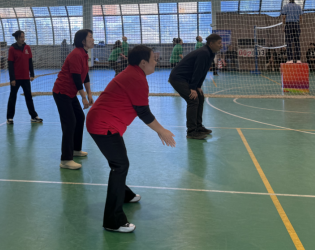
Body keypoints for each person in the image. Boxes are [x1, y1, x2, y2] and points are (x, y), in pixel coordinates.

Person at [86, 46, 176, 233]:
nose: (156, 62)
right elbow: (143, 112)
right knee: (120, 166)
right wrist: (162, 131)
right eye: (153, 59)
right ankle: (113, 221)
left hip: (105, 123)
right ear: (143, 63)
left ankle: (125, 195)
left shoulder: (134, 74)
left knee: (120, 162)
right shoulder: (136, 78)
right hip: (103, 126)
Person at [53, 29, 95, 170]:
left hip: (70, 93)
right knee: (69, 123)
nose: (93, 39)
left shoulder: (84, 54)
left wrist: (89, 94)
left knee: (79, 118)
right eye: (90, 37)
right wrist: (83, 97)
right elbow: (77, 78)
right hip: (62, 92)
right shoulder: (76, 54)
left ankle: (76, 150)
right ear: (83, 41)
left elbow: (85, 75)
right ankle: (65, 160)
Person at [169, 34, 223, 140]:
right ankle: (191, 132)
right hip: (178, 78)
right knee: (193, 99)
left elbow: (203, 71)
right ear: (211, 44)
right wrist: (193, 88)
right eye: (219, 43)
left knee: (200, 97)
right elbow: (198, 71)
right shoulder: (204, 53)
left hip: (186, 79)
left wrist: (198, 86)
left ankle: (198, 127)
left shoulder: (211, 53)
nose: (221, 45)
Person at [7, 30, 43, 124]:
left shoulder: (27, 48)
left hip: (26, 78)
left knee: (29, 97)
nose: (23, 39)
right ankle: (9, 117)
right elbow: (10, 65)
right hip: (16, 79)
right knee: (13, 97)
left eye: (23, 37)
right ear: (17, 38)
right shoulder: (12, 49)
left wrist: (32, 74)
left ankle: (34, 116)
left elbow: (30, 62)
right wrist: (12, 79)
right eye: (21, 37)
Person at [281, 0, 303, 64]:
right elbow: (300, 17)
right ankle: (298, 59)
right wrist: (299, 25)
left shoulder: (285, 6)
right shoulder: (298, 6)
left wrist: (283, 26)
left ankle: (290, 59)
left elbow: (284, 17)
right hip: (296, 24)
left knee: (289, 42)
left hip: (289, 25)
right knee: (297, 42)